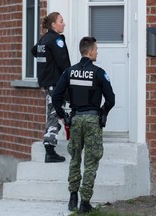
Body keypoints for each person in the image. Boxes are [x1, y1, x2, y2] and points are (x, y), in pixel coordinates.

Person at [52, 37, 115, 214]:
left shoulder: (68, 72)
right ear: (89, 51)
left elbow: (56, 96)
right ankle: (85, 202)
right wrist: (103, 113)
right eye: (96, 49)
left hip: (76, 119)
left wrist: (63, 116)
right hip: (92, 120)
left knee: (75, 159)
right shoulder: (99, 72)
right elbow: (111, 99)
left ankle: (73, 198)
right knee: (91, 161)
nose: (97, 52)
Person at [31, 12, 71, 163]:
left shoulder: (44, 39)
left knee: (54, 110)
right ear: (54, 25)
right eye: (61, 21)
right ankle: (49, 149)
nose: (64, 24)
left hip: (47, 82)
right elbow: (63, 63)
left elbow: (34, 51)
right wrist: (70, 79)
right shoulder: (56, 40)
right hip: (55, 82)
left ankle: (52, 145)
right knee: (54, 113)